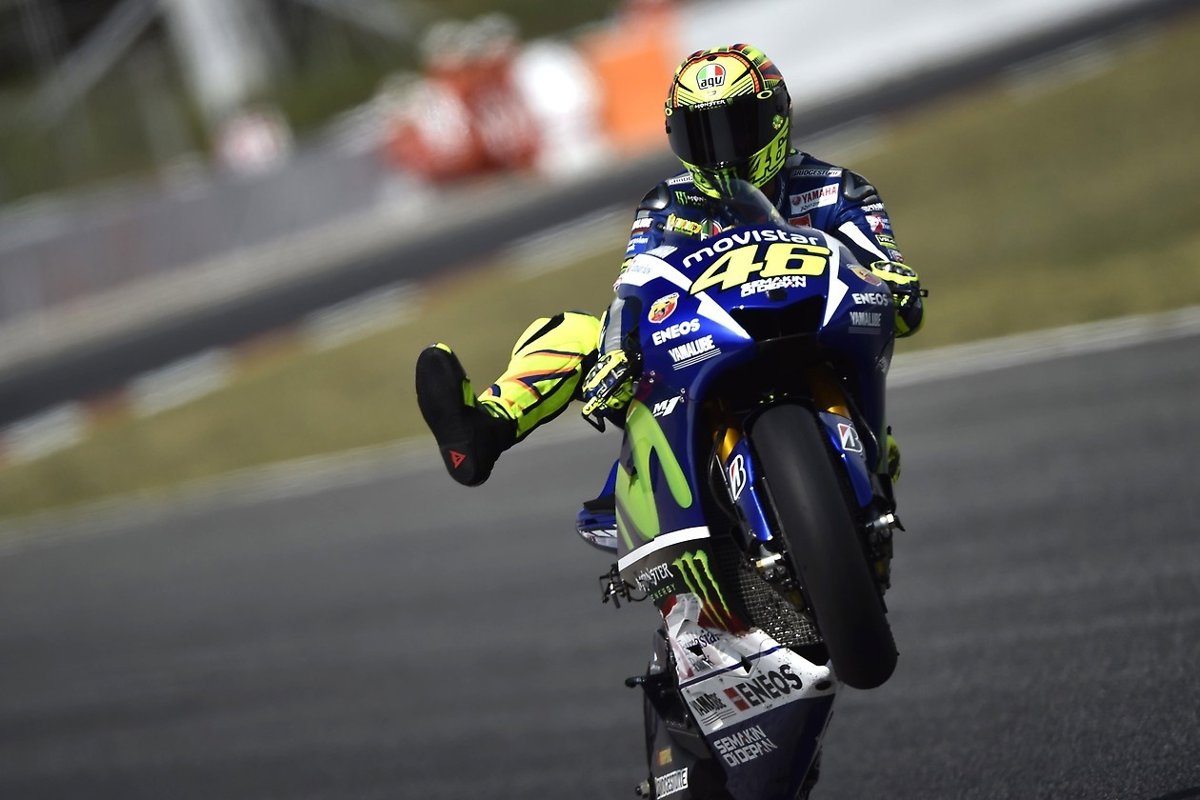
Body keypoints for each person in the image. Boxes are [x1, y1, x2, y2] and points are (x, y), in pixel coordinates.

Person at [414, 43, 924, 490]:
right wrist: (617, 350)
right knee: (571, 330)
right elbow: (634, 286)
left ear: (775, 120)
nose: (720, 152)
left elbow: (886, 272)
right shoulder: (666, 204)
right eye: (700, 134)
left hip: (815, 343)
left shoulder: (837, 188)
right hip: (701, 353)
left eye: (735, 128)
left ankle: (855, 453)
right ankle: (484, 428)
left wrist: (894, 282)